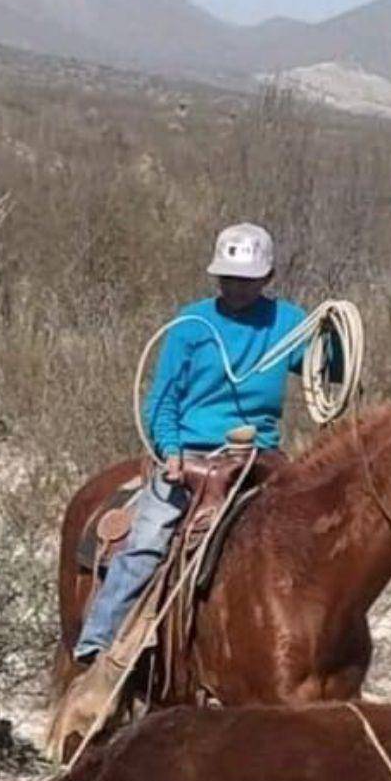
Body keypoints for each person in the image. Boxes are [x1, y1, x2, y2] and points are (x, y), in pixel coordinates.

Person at [74, 223, 312, 662]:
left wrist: (336, 343)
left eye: (247, 279)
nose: (237, 288)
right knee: (148, 537)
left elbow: (326, 368)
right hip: (194, 456)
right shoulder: (191, 324)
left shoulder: (290, 324)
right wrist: (171, 451)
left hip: (260, 455)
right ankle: (100, 638)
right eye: (229, 278)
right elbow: (162, 400)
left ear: (268, 277)